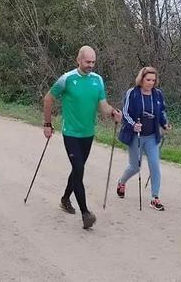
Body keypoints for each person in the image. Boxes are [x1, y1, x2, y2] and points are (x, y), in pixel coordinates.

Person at [42, 46, 122, 230]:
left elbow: (103, 106)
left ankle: (65, 199)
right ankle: (85, 213)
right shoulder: (67, 79)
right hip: (70, 133)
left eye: (93, 62)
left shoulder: (98, 80)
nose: (91, 65)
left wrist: (113, 113)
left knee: (78, 169)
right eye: (87, 62)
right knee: (79, 169)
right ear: (78, 60)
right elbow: (48, 99)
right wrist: (47, 123)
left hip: (88, 133)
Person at [115, 66, 172, 211]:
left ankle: (155, 197)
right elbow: (125, 113)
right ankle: (122, 182)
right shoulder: (132, 93)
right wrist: (133, 125)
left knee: (155, 165)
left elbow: (162, 111)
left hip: (152, 136)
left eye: (153, 80)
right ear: (141, 79)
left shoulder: (157, 94)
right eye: (148, 80)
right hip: (136, 136)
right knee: (135, 166)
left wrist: (165, 123)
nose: (151, 83)